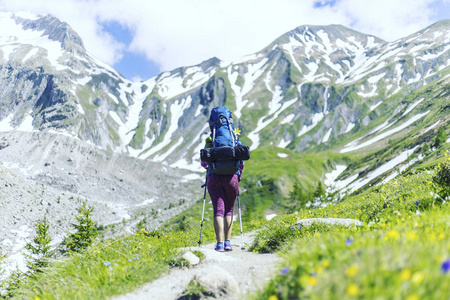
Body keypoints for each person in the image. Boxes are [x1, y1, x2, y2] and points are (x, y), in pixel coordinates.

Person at [201, 107, 244, 252]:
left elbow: (203, 162)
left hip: (214, 178)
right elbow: (241, 160)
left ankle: (219, 244)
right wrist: (238, 174)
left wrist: (211, 168)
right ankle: (228, 243)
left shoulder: (210, 138)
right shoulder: (234, 138)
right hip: (232, 178)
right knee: (229, 210)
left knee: (218, 210)